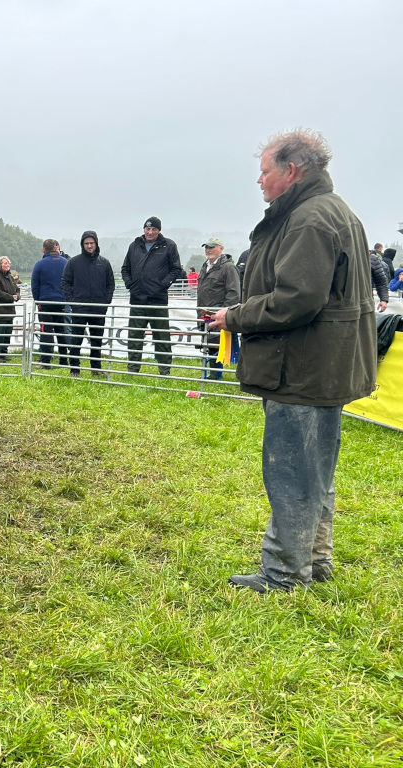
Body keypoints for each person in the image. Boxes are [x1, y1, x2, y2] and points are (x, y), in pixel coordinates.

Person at [209, 129, 375, 593]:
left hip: (302, 366)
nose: (259, 181)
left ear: (291, 170)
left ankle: (283, 573)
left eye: (264, 171)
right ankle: (314, 561)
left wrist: (234, 316)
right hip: (321, 364)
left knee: (291, 470)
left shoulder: (308, 220)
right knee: (314, 469)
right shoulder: (330, 211)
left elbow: (296, 299)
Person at [120, 216, 182, 376]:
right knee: (134, 337)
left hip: (158, 300)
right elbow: (125, 268)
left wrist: (163, 285)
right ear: (144, 229)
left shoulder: (168, 245)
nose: (150, 232)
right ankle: (132, 370)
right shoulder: (134, 246)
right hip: (137, 300)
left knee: (162, 337)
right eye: (147, 229)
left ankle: (165, 371)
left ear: (159, 230)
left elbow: (175, 269)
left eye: (154, 229)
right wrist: (129, 284)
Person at [62, 231, 115, 377]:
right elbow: (65, 282)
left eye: (92, 243)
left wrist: (106, 301)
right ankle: (74, 369)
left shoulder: (104, 263)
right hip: (79, 307)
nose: (89, 246)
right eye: (86, 243)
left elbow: (110, 284)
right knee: (76, 339)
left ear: (96, 244)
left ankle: (96, 368)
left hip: (98, 308)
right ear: (82, 245)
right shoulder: (74, 262)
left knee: (97, 340)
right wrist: (71, 301)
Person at [195, 237, 241, 380]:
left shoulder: (228, 267)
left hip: (218, 313)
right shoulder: (205, 266)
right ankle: (212, 372)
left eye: (212, 247)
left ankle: (216, 374)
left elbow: (234, 293)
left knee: (217, 344)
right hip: (204, 312)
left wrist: (224, 312)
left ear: (221, 248)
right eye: (206, 247)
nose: (208, 250)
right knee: (209, 343)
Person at [30, 238, 69, 370]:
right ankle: (64, 360)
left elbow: (34, 286)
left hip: (45, 302)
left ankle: (46, 361)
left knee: (46, 331)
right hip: (62, 302)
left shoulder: (39, 264)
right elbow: (71, 283)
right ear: (56, 248)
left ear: (44, 250)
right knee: (61, 331)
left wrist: (38, 301)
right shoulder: (66, 263)